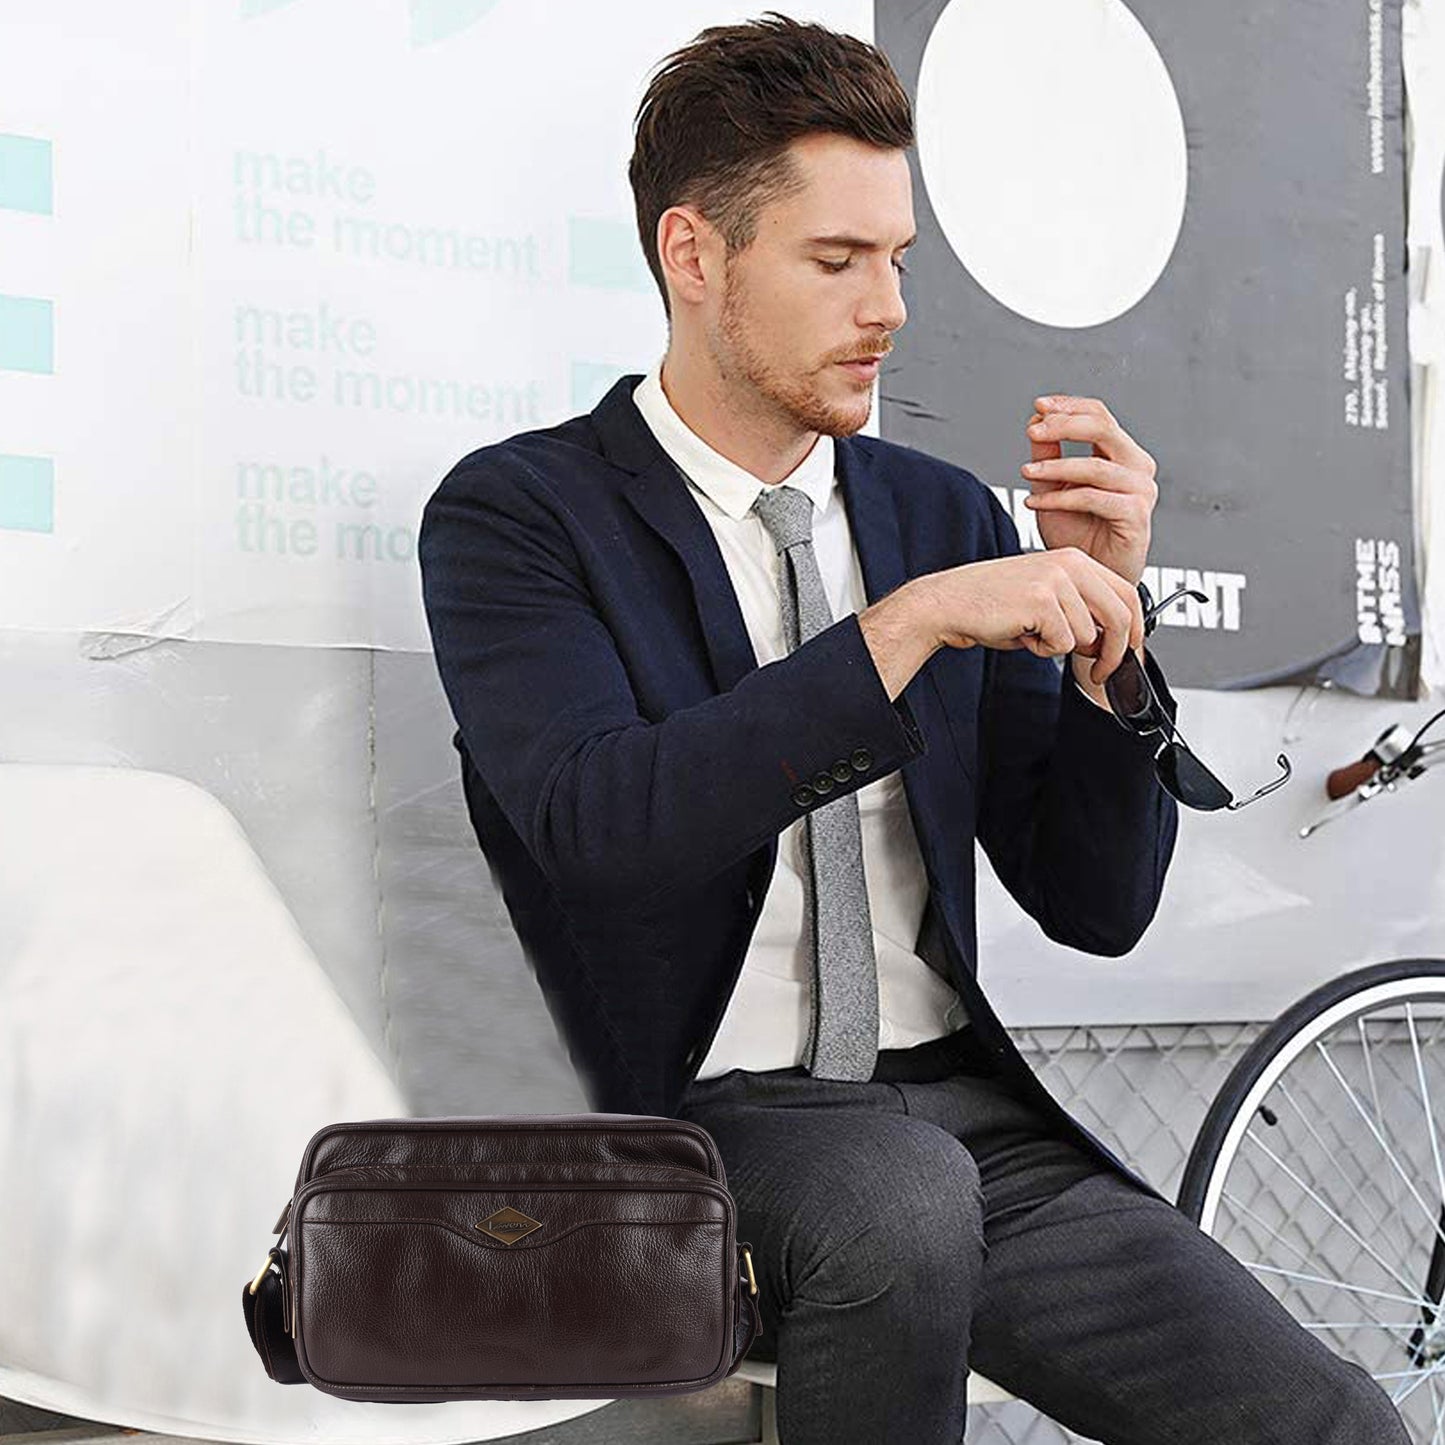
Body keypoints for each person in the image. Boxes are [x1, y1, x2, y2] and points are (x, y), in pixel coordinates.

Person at [418, 13, 1409, 1443]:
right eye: (836, 260)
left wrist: (1112, 640)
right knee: (898, 1201)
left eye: (898, 259)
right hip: (701, 1125)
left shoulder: (936, 515)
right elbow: (604, 830)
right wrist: (902, 630)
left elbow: (1094, 906)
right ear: (693, 255)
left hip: (964, 1122)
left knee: (1330, 1420)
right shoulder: (521, 514)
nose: (886, 306)